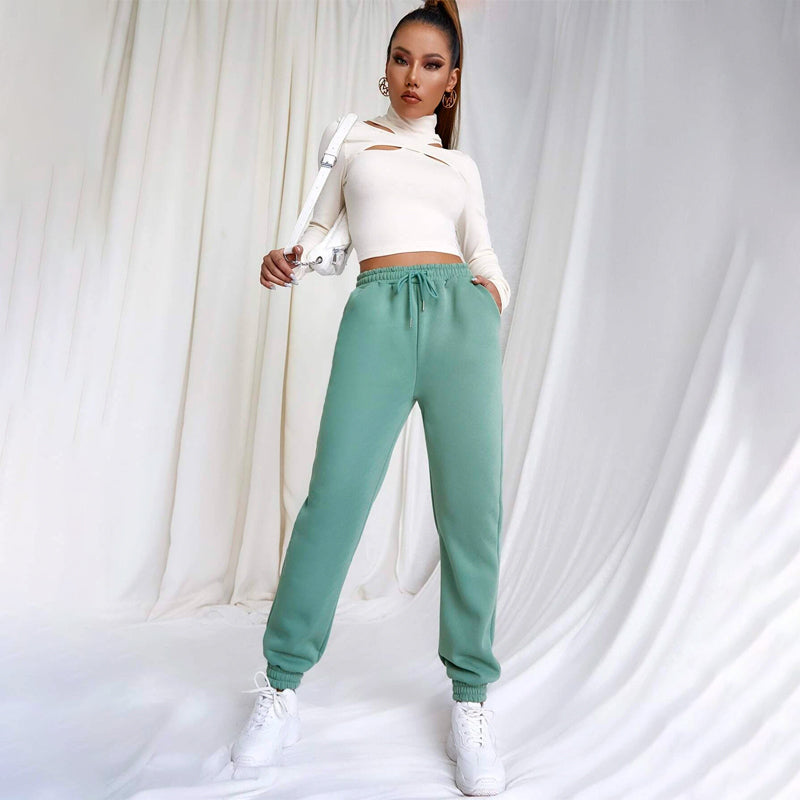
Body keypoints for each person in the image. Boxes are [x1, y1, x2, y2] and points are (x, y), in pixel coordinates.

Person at [233, 1, 510, 795]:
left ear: (452, 81)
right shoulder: (351, 139)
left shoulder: (460, 168)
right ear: (385, 67)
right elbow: (321, 233)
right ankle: (281, 688)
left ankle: (470, 700)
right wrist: (292, 260)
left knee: (473, 513)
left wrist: (488, 300)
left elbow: (484, 249)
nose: (413, 75)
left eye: (431, 64)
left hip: (459, 323)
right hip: (378, 316)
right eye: (401, 58)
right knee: (335, 500)